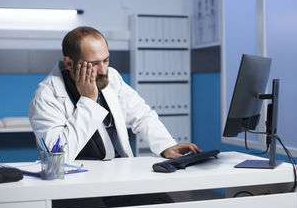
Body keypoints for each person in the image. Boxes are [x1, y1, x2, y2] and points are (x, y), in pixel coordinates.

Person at [29, 26, 200, 164]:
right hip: (77, 180)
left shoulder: (112, 78)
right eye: (94, 64)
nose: (103, 70)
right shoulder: (47, 96)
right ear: (69, 63)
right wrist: (88, 101)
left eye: (106, 60)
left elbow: (142, 114)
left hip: (118, 172)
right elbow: (57, 156)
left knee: (161, 205)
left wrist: (167, 146)